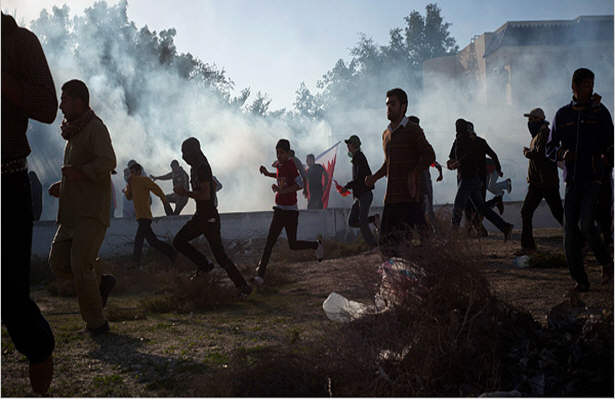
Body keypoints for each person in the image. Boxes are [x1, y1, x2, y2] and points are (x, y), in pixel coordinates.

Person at [1, 12, 56, 394]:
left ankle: (41, 379)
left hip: (7, 180)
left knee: (12, 301)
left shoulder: (19, 41)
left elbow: (47, 108)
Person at [48, 79, 117, 337]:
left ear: (79, 101)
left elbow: (108, 161)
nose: (61, 106)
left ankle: (97, 324)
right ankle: (102, 280)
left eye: (64, 99)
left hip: (91, 211)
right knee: (58, 263)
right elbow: (75, 172)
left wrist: (80, 173)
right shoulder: (73, 134)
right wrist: (63, 185)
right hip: (71, 214)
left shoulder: (95, 129)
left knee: (80, 266)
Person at [547, 68, 613, 290]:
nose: (591, 89)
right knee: (569, 233)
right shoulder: (562, 115)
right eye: (586, 85)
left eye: (592, 84)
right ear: (574, 87)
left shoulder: (599, 112)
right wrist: (561, 154)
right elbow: (550, 147)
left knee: (586, 224)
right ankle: (580, 281)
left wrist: (605, 167)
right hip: (572, 181)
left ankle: (606, 262)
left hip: (594, 179)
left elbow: (611, 144)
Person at [172, 137, 252, 296]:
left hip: (208, 217)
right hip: (201, 216)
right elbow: (210, 188)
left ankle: (242, 286)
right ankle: (205, 266)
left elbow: (205, 195)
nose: (183, 156)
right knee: (179, 241)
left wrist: (185, 193)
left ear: (192, 151)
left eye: (184, 152)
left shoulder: (201, 167)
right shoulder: (195, 167)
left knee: (220, 256)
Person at [365, 88, 435, 255]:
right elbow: (387, 163)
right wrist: (374, 178)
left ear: (403, 107)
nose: (389, 108)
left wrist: (414, 173)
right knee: (387, 244)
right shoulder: (386, 134)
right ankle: (397, 278)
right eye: (387, 104)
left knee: (421, 241)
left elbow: (429, 154)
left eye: (393, 104)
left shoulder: (413, 130)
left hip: (410, 198)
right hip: (391, 198)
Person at [255, 139, 324, 285]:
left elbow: (299, 184)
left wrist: (282, 190)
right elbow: (280, 176)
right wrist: (268, 174)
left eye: (282, 153)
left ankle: (316, 245)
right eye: (277, 153)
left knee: (293, 245)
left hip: (291, 211)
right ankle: (260, 274)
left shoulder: (291, 165)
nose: (279, 155)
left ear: (288, 153)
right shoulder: (280, 164)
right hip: (279, 209)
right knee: (269, 242)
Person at [447, 119, 514, 239]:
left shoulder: (468, 141)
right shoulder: (470, 141)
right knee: (481, 208)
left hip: (468, 179)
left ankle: (452, 237)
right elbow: (492, 155)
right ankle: (505, 227)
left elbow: (467, 157)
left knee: (458, 207)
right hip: (475, 180)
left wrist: (457, 163)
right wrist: (452, 164)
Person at [520, 108, 564, 252]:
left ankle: (581, 240)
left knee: (559, 214)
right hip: (538, 183)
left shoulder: (544, 133)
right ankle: (528, 246)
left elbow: (539, 154)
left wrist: (527, 153)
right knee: (526, 211)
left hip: (546, 183)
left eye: (531, 119)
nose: (529, 122)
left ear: (538, 120)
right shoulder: (538, 134)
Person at [124, 163, 177, 267]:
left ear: (139, 172)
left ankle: (135, 262)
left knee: (139, 239)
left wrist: (164, 200)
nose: (132, 174)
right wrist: (127, 187)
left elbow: (157, 190)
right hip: (140, 217)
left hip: (145, 216)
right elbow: (128, 197)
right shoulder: (131, 183)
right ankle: (172, 252)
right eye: (131, 172)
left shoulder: (144, 180)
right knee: (153, 241)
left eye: (133, 172)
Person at [343, 135, 379, 248]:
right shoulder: (356, 158)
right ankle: (374, 219)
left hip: (364, 194)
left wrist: (347, 186)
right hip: (360, 195)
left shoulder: (359, 157)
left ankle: (373, 246)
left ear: (353, 145)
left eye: (349, 144)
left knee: (363, 222)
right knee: (352, 221)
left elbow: (359, 179)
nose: (347, 147)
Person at [408, 116, 443, 227]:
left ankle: (430, 234)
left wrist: (439, 170)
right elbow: (431, 160)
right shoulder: (417, 140)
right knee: (424, 209)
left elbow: (430, 159)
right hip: (420, 181)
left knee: (424, 209)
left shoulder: (416, 141)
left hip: (422, 181)